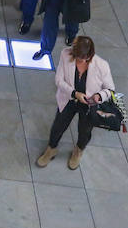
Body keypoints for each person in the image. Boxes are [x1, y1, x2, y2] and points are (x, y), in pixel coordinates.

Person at [35, 36, 114, 171]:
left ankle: (78, 151)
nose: (80, 60)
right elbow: (59, 80)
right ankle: (51, 149)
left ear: (90, 55)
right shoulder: (65, 54)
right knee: (58, 126)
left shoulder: (102, 65)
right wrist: (74, 93)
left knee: (84, 131)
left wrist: (98, 96)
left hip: (89, 104)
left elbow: (110, 89)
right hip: (69, 99)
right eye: (77, 57)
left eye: (83, 58)